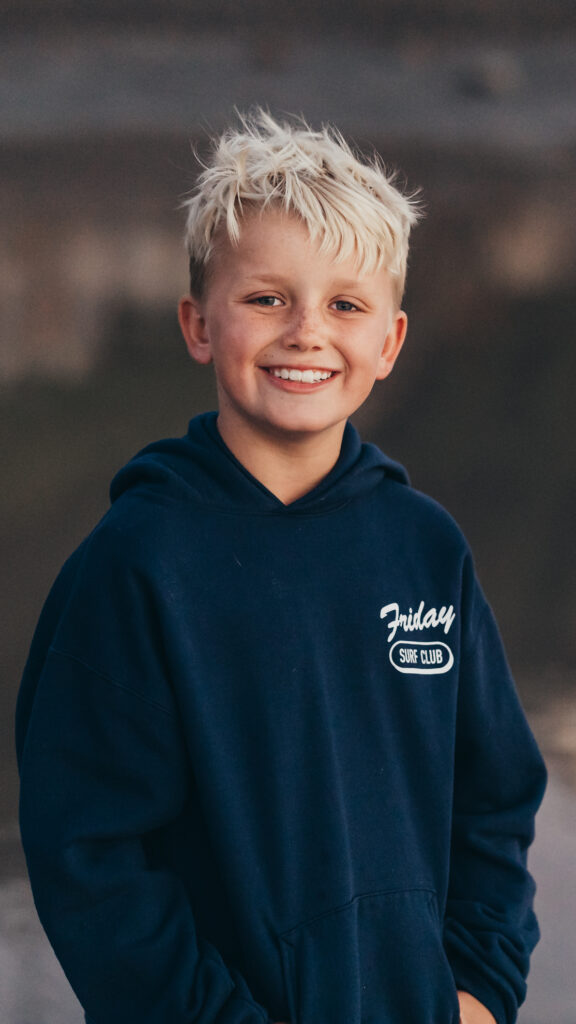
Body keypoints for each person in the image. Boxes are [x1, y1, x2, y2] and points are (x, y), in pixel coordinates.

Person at [16, 110, 546, 1024]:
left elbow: (492, 801)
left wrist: (480, 991)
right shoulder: (138, 564)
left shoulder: (427, 551)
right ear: (197, 324)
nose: (307, 332)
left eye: (346, 305)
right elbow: (91, 853)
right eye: (267, 299)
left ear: (389, 342)